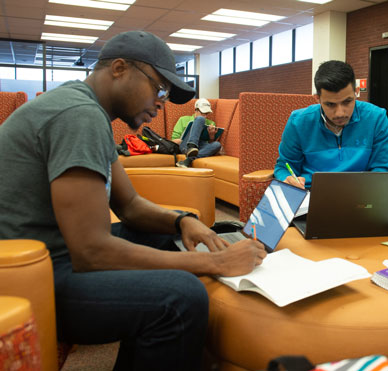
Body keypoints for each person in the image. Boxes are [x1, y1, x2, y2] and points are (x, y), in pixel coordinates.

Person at [0, 31, 266, 369]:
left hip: (54, 254)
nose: (161, 103)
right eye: (158, 89)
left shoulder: (83, 107)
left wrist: (182, 221)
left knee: (161, 232)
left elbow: (129, 206)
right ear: (120, 68)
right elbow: (91, 252)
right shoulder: (78, 114)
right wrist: (215, 264)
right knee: (181, 298)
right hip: (30, 278)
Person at [274, 60, 388, 189]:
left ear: (356, 92)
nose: (340, 113)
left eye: (347, 101)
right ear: (317, 98)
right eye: (330, 104)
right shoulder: (298, 122)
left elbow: (382, 170)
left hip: (361, 194)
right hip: (312, 193)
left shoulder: (376, 118)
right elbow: (284, 167)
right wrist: (287, 178)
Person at [171, 98, 223, 168]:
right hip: (185, 145)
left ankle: (188, 160)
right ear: (196, 110)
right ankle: (191, 146)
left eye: (207, 113)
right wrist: (184, 138)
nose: (205, 116)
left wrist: (211, 135)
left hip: (200, 147)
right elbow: (173, 141)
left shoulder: (211, 123)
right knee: (200, 119)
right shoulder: (183, 119)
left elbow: (209, 143)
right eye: (202, 113)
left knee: (217, 145)